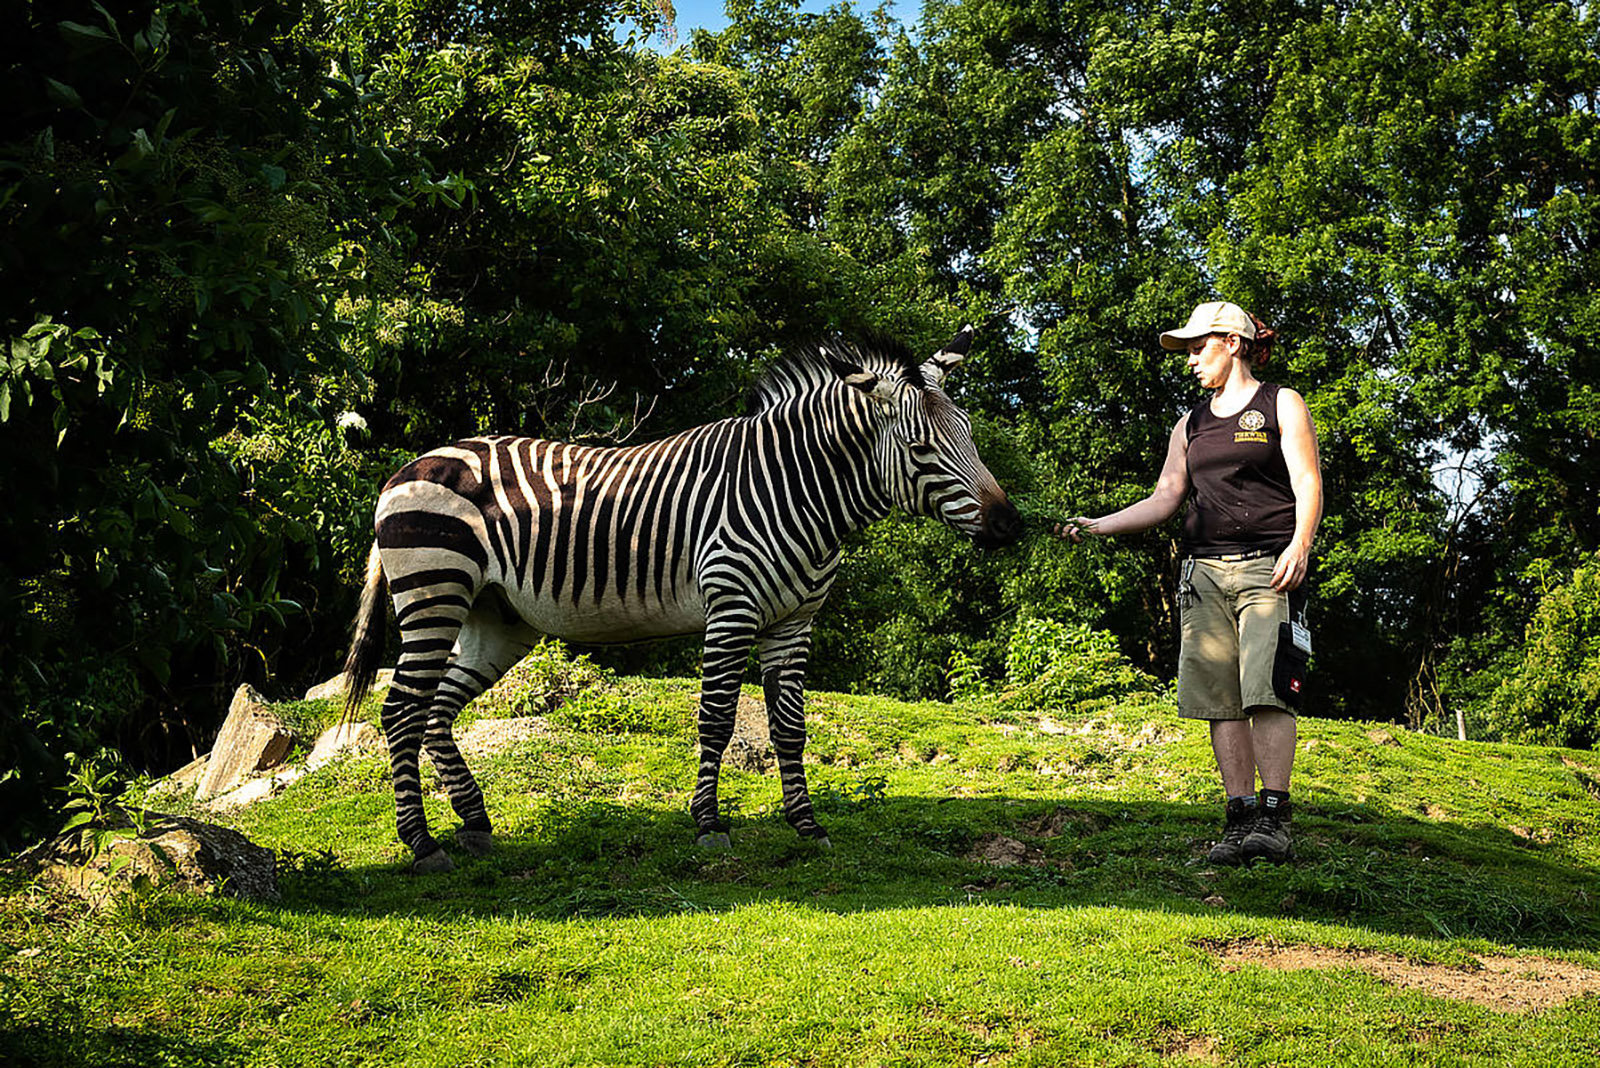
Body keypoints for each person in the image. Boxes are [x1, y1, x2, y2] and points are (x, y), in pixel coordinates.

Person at [1055, 301, 1323, 865]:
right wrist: (1097, 525)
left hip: (1268, 569)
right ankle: (1240, 818)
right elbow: (1165, 497)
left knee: (1267, 691)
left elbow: (1306, 480)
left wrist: (1300, 545)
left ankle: (1275, 820)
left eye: (1199, 347)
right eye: (1189, 350)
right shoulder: (1190, 423)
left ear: (1232, 342)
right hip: (1202, 574)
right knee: (1220, 701)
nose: (1193, 360)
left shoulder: (1282, 403)